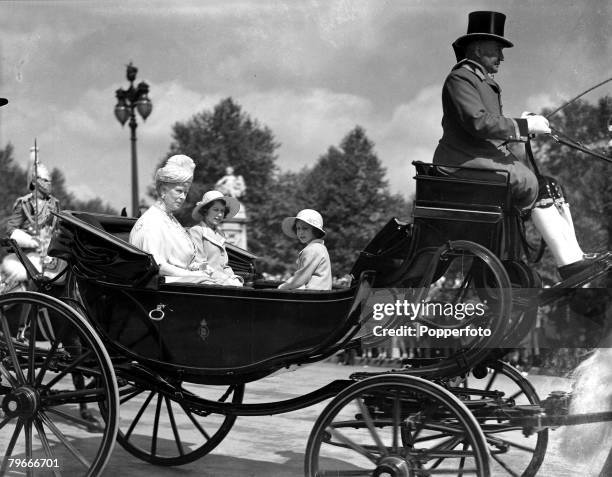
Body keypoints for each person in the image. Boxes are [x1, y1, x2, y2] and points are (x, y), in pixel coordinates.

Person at [433, 10, 604, 280]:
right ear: (478, 49)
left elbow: (491, 126)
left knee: (548, 185)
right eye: (497, 50)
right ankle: (569, 264)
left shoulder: (482, 81)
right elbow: (478, 123)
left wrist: (524, 125)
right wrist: (522, 127)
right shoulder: (461, 79)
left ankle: (573, 256)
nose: (501, 57)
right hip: (461, 162)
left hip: (480, 158)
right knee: (528, 182)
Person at [129, 155, 215, 284]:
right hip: (164, 290)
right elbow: (158, 265)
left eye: (185, 192)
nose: (182, 197)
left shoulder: (171, 220)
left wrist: (201, 268)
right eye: (179, 191)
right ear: (163, 190)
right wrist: (194, 276)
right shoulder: (151, 222)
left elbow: (182, 261)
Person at [1, 161, 62, 290]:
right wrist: (31, 241)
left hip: (50, 254)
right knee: (17, 277)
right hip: (30, 254)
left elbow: (57, 229)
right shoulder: (25, 203)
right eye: (45, 180)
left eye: (49, 181)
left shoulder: (54, 204)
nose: (48, 184)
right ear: (35, 182)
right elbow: (10, 229)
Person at [189, 190, 243, 286]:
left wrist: (234, 279)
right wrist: (224, 280)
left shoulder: (221, 234)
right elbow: (200, 265)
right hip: (206, 283)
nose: (219, 214)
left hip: (222, 282)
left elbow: (224, 266)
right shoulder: (197, 231)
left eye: (222, 211)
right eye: (215, 210)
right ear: (205, 211)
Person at [278, 209, 332, 290]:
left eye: (305, 228)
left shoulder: (312, 250)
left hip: (313, 296)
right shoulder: (320, 247)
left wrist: (281, 287)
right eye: (298, 228)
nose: (300, 232)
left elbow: (300, 279)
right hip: (320, 293)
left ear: (315, 230)